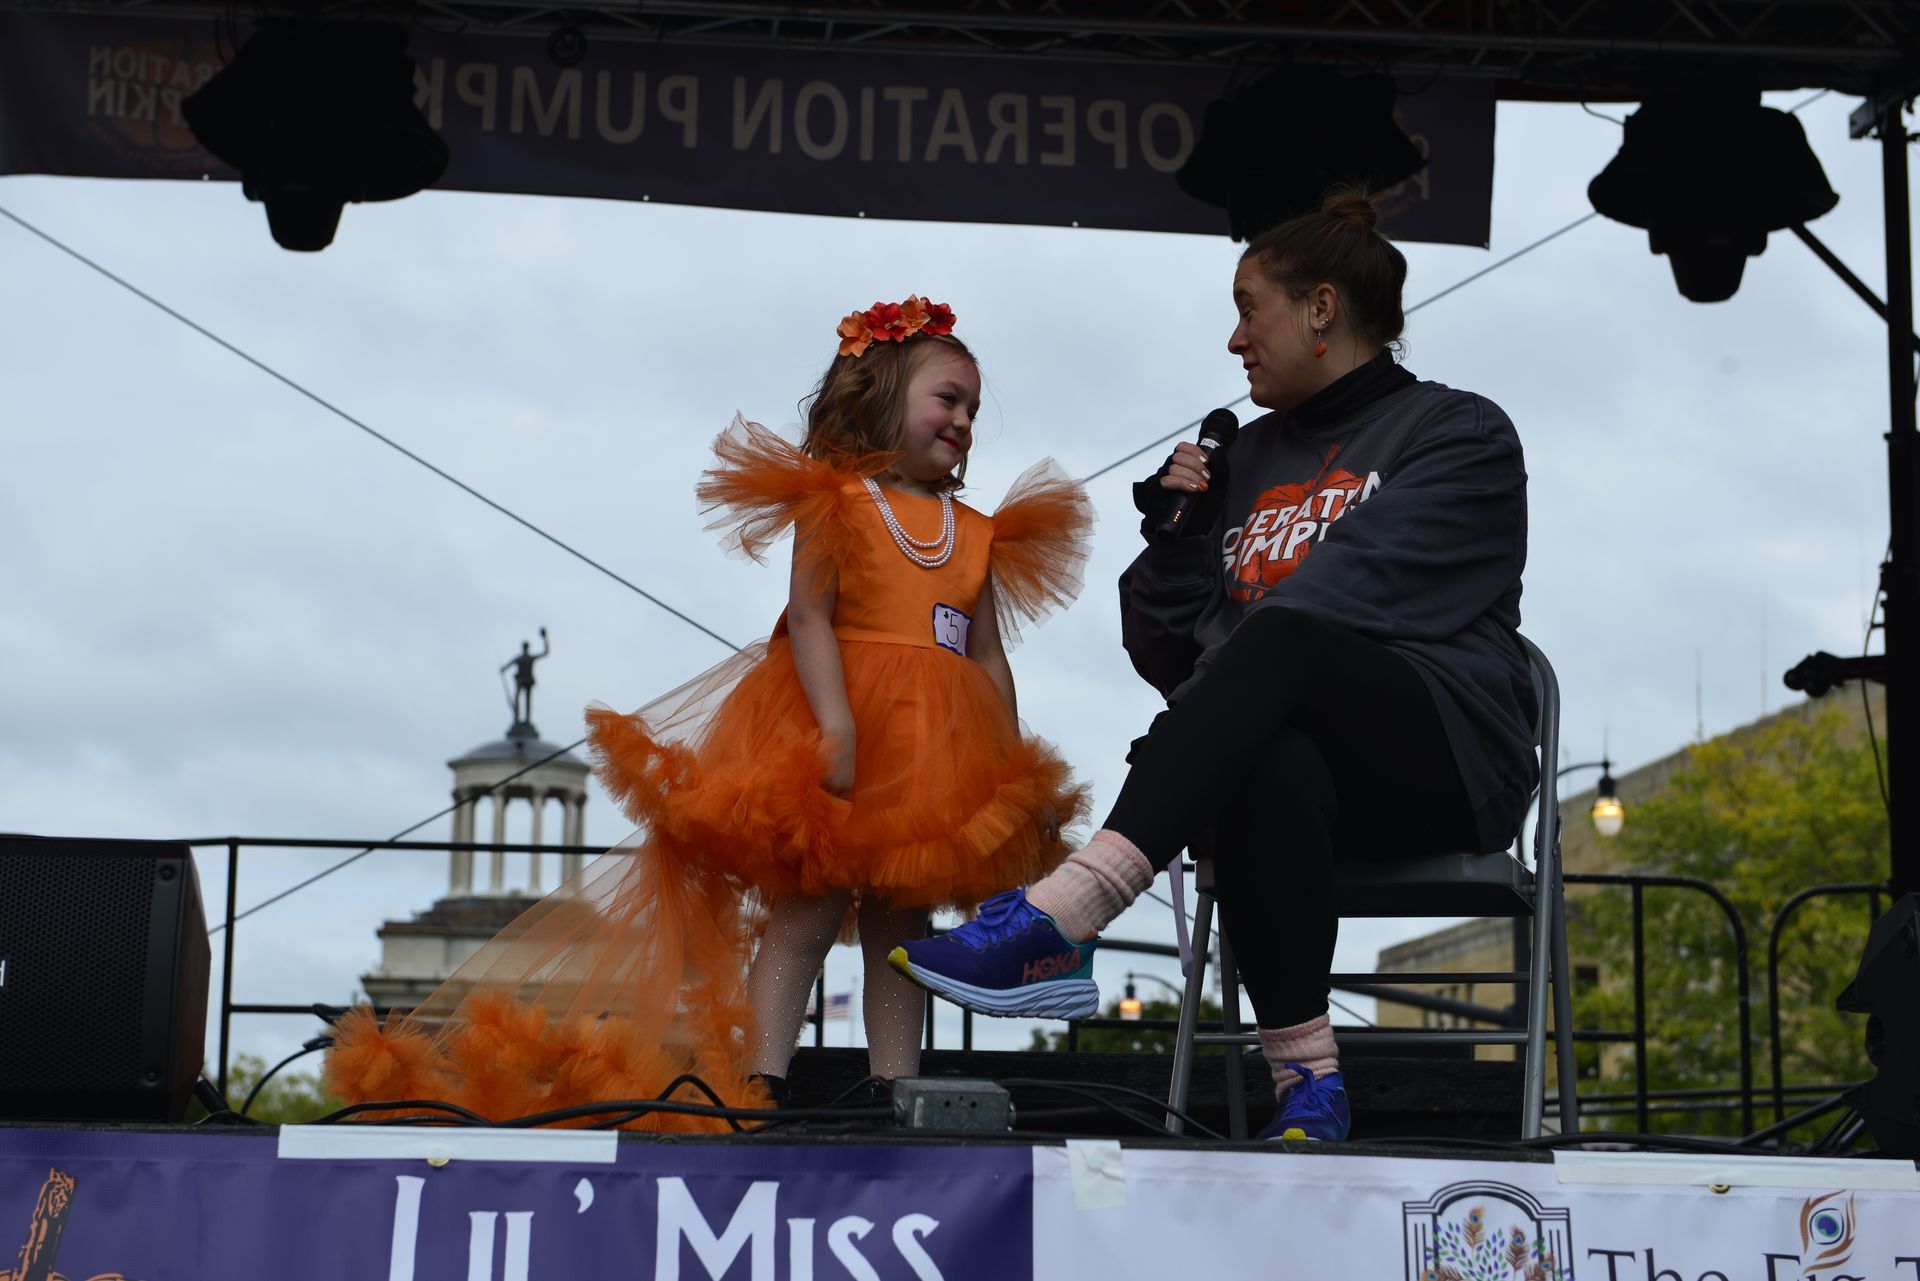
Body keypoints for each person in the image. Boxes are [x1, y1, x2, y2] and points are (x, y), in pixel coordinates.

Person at [324, 296, 1092, 1126]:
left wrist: (1007, 761)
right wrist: (836, 725)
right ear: (881, 395)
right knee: (811, 902)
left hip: (933, 751)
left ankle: (894, 1085)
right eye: (948, 398)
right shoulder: (836, 501)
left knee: (904, 920)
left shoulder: (979, 532)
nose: (965, 419)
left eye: (974, 407)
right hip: (842, 726)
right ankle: (760, 1078)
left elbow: (985, 655)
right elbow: (808, 617)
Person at [892, 190, 1538, 1142]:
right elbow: (1162, 648)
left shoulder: (1460, 435)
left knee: (1279, 649)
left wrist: (1211, 697)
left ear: (1321, 309)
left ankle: (1070, 911)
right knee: (1264, 760)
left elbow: (1341, 596)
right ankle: (1308, 1082)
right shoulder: (1245, 456)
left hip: (1437, 749)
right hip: (1299, 765)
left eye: (1249, 308)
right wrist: (1179, 540)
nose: (1234, 340)